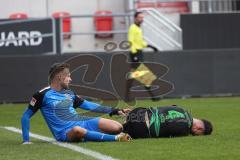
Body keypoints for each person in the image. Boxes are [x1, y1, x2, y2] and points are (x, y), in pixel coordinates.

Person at [21, 63, 131, 144]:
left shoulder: (69, 93)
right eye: (68, 76)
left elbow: (88, 105)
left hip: (82, 122)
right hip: (65, 132)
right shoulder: (41, 95)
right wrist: (26, 140)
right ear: (59, 77)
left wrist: (114, 110)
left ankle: (92, 135)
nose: (70, 79)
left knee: (117, 127)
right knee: (77, 130)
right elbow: (26, 116)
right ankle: (117, 138)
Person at [123, 105, 213, 139]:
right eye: (198, 134)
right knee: (119, 129)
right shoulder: (184, 131)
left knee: (121, 126)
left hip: (137, 112)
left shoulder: (181, 108)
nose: (194, 135)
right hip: (140, 128)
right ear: (199, 128)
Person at [126, 11, 159, 101]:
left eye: (142, 17)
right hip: (135, 53)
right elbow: (131, 42)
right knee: (143, 74)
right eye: (140, 17)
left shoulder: (138, 28)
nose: (141, 19)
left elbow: (140, 42)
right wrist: (134, 55)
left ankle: (126, 96)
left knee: (134, 75)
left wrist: (150, 46)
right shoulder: (133, 28)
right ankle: (153, 96)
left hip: (139, 52)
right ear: (135, 18)